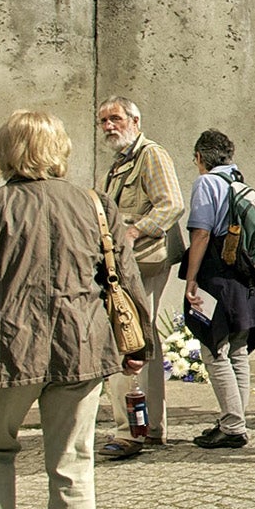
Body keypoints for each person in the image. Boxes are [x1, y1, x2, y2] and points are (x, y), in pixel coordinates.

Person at [0, 110, 153, 509]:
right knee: (73, 462)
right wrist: (139, 344)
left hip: (8, 352)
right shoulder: (96, 203)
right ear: (59, 150)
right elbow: (126, 278)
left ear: (5, 153)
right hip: (82, 347)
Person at [93, 96, 186, 461]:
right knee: (143, 343)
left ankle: (129, 431)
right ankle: (149, 428)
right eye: (102, 121)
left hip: (143, 261)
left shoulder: (151, 154)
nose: (108, 127)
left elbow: (171, 204)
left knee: (125, 342)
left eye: (115, 119)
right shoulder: (117, 165)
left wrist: (132, 233)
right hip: (123, 264)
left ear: (134, 120)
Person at [180, 130, 255, 450]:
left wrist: (191, 278)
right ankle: (235, 420)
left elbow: (202, 235)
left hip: (217, 276)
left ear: (200, 158)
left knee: (214, 349)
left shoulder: (206, 183)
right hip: (246, 279)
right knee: (238, 351)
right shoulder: (240, 182)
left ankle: (233, 425)